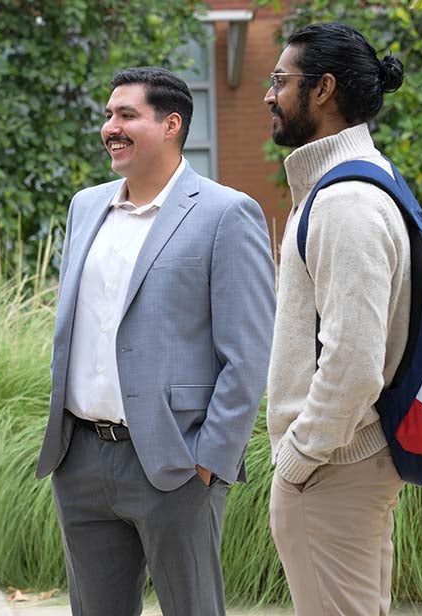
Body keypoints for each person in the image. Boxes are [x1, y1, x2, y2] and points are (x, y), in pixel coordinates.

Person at [35, 66, 276, 615]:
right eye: (108, 115)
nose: (110, 127)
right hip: (80, 458)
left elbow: (247, 354)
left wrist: (209, 462)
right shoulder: (85, 206)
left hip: (175, 463)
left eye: (127, 115)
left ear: (171, 125)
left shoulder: (226, 213)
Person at [263, 22, 409, 615]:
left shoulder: (345, 201)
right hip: (348, 465)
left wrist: (300, 458)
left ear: (322, 89)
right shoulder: (359, 180)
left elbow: (353, 361)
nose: (269, 95)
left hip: (333, 469)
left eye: (280, 80)